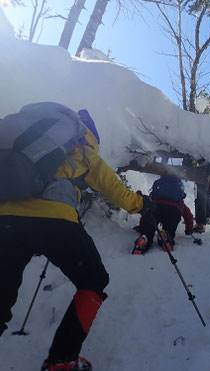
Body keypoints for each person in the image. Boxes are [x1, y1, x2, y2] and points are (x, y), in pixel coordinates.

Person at [0, 104, 155, 371]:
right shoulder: (82, 152)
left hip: (6, 223)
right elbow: (115, 191)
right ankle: (62, 360)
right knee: (93, 280)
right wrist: (142, 205)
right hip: (54, 223)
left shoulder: (22, 146)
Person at [133, 175, 194, 254]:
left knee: (149, 228)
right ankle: (166, 236)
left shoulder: (158, 191)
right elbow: (188, 215)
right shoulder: (178, 199)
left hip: (156, 207)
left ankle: (144, 238)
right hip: (174, 211)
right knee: (169, 229)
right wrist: (189, 229)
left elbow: (146, 212)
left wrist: (142, 227)